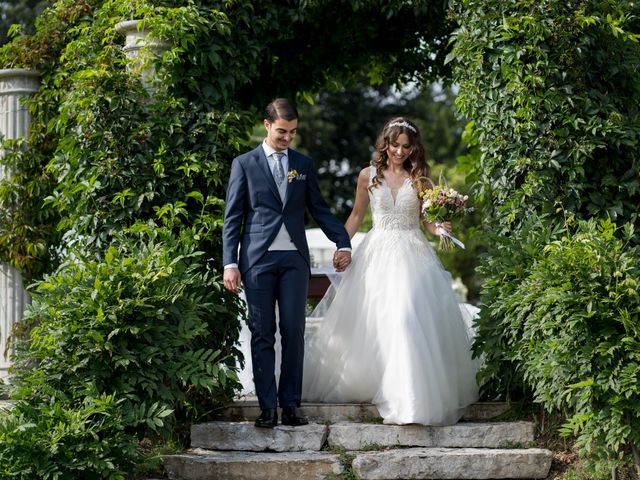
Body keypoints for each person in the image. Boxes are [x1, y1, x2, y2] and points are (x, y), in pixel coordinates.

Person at [302, 117, 479, 425]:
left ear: (414, 149)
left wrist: (440, 229)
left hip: (413, 254)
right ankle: (382, 385)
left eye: (406, 147)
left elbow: (427, 220)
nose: (399, 151)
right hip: (378, 253)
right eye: (395, 145)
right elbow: (357, 215)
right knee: (379, 321)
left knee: (406, 317)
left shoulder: (421, 176)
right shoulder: (367, 176)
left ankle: (409, 398)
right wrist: (343, 246)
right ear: (385, 143)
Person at [222, 98, 352, 428]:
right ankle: (267, 408)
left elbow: (319, 209)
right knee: (262, 332)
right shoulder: (244, 164)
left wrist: (343, 241)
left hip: (294, 260)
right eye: (282, 131)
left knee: (294, 331)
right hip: (256, 261)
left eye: (293, 132)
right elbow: (233, 217)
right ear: (267, 125)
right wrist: (229, 263)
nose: (288, 138)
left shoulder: (303, 164)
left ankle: (291, 404)